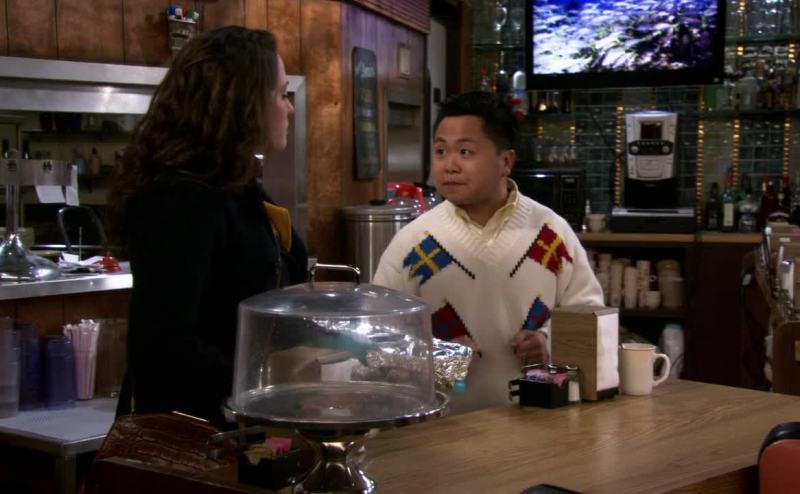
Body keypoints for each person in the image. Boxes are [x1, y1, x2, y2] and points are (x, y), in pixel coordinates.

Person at [108, 26, 308, 427]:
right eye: (281, 94)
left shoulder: (238, 187)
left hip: (243, 425)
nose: (289, 109)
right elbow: (165, 349)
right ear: (242, 102)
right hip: (191, 437)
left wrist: (351, 345)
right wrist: (269, 377)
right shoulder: (177, 200)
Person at [373, 91, 603, 414]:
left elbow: (591, 321)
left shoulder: (551, 233)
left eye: (465, 152)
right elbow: (377, 347)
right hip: (445, 429)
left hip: (540, 423)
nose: (449, 165)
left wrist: (548, 343)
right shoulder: (412, 244)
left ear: (505, 162)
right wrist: (439, 361)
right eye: (440, 151)